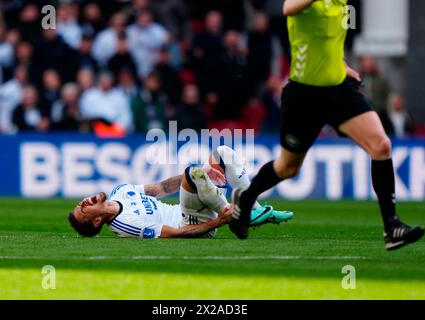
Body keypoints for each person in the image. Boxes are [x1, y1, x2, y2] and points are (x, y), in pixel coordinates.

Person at [229, 0, 424, 251]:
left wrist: (341, 64)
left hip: (340, 91)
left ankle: (392, 227)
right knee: (288, 167)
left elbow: (330, 43)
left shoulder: (342, 3)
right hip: (305, 95)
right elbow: (288, 7)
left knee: (381, 145)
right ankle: (246, 198)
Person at [68, 146, 293, 238]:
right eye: (83, 209)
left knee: (222, 153)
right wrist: (217, 223)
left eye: (81, 203)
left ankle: (254, 212)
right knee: (192, 174)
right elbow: (175, 234)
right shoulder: (126, 224)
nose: (84, 202)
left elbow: (161, 188)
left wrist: (204, 171)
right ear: (97, 221)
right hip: (192, 222)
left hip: (199, 206)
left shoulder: (121, 190)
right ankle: (234, 216)